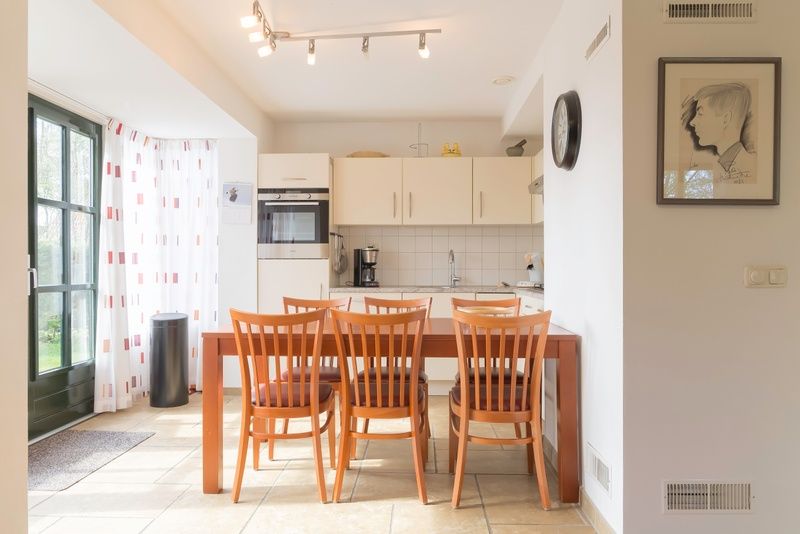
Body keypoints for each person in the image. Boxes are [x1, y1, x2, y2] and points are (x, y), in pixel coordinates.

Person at [686, 82, 756, 184]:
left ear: (726, 119)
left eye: (700, 114)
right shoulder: (711, 166)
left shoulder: (750, 168)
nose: (692, 122)